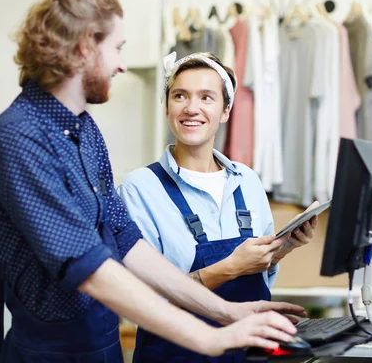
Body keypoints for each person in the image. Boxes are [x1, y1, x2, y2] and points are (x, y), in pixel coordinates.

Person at [0, 0, 306, 363]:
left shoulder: (84, 131)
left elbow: (126, 240)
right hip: (48, 353)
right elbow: (88, 268)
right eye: (118, 48)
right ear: (84, 47)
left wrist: (227, 313)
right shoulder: (21, 137)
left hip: (103, 345)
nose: (122, 65)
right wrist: (210, 338)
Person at [117, 50, 321, 362]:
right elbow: (144, 302)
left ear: (226, 110)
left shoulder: (248, 181)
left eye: (206, 97)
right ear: (168, 105)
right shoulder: (140, 188)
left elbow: (262, 277)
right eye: (180, 95)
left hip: (248, 352)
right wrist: (230, 267)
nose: (191, 108)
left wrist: (284, 247)